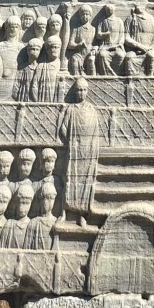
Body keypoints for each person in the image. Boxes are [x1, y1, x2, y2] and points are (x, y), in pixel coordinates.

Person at [57, 78, 100, 225]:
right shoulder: (71, 109)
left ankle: (82, 214)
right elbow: (63, 128)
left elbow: (95, 131)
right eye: (79, 90)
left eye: (84, 90)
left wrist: (91, 147)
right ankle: (64, 212)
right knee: (70, 179)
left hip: (87, 151)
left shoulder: (91, 109)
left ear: (87, 91)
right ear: (75, 92)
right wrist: (70, 141)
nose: (81, 93)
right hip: (74, 149)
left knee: (85, 181)